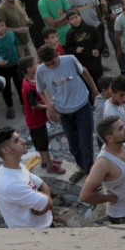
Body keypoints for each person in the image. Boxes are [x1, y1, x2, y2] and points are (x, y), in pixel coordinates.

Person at [36, 41, 99, 181]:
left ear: (58, 55)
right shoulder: (41, 70)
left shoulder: (70, 60)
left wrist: (95, 91)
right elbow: (40, 90)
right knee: (73, 144)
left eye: (53, 62)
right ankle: (83, 167)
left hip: (82, 106)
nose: (51, 66)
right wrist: (49, 106)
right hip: (63, 111)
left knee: (86, 142)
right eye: (48, 65)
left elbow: (84, 72)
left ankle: (90, 174)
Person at [80, 115, 125, 225]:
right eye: (120, 128)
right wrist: (110, 198)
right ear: (109, 137)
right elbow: (85, 195)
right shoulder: (103, 163)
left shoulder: (124, 142)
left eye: (123, 125)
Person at [0, 127, 55, 228]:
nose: (23, 141)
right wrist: (45, 204)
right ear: (6, 150)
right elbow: (49, 204)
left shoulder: (18, 166)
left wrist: (44, 203)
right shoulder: (11, 184)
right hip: (35, 234)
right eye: (16, 141)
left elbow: (42, 184)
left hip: (44, 223)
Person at [62, 10, 105, 87]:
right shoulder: (70, 33)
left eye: (76, 17)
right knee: (86, 84)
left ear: (81, 17)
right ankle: (90, 98)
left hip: (94, 60)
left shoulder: (91, 28)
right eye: (71, 19)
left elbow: (100, 40)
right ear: (68, 22)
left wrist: (97, 49)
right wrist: (75, 49)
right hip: (82, 63)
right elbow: (67, 49)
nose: (75, 20)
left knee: (99, 82)